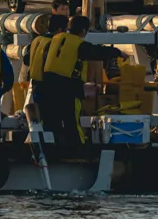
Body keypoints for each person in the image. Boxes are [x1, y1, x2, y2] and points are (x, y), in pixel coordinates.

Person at [41, 14, 125, 145]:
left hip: (47, 85)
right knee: (72, 122)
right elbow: (97, 52)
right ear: (83, 31)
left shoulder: (56, 39)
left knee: (52, 122)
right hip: (67, 88)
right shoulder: (79, 44)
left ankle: (53, 148)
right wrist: (117, 52)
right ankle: (77, 149)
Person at [23, 13, 68, 110]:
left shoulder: (37, 40)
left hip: (36, 85)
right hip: (53, 87)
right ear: (60, 30)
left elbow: (26, 59)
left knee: (41, 114)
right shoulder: (59, 44)